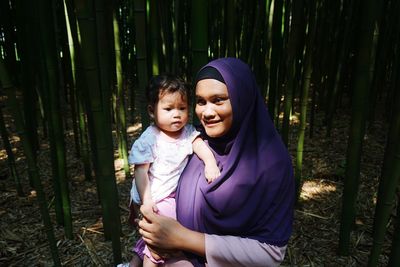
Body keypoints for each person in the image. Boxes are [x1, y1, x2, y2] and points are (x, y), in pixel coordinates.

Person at [132, 57, 294, 267]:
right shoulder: (194, 141)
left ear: (241, 99)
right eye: (200, 101)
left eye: (218, 100)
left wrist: (183, 238)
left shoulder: (271, 163)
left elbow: (271, 253)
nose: (207, 113)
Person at [125, 74, 221, 267]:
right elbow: (140, 172)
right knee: (158, 242)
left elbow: (199, 146)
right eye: (168, 109)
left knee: (151, 237)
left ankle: (134, 263)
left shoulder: (187, 133)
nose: (176, 114)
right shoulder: (150, 139)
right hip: (155, 197)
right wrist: (147, 200)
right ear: (152, 111)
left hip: (169, 195)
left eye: (182, 108)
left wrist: (210, 163)